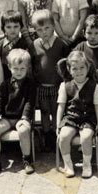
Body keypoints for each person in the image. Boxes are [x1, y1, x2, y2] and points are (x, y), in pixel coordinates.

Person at [0, 49, 36, 177]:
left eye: (22, 69)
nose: (19, 72)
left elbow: (29, 103)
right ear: (9, 67)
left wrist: (25, 118)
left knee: (24, 131)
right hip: (7, 118)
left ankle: (27, 160)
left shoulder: (30, 85)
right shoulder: (5, 85)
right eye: (16, 68)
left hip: (22, 118)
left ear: (27, 68)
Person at [56, 51, 98, 178]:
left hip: (88, 118)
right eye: (75, 68)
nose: (79, 71)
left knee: (86, 137)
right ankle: (68, 164)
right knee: (64, 136)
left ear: (88, 68)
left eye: (82, 67)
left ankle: (87, 164)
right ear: (69, 69)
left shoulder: (94, 86)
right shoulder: (65, 86)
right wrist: (58, 125)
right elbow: (61, 106)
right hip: (71, 117)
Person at [29, 9, 70, 151]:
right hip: (41, 86)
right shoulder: (34, 45)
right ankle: (47, 137)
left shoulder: (61, 44)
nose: (44, 32)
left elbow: (66, 67)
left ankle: (56, 134)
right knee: (45, 111)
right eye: (40, 30)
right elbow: (33, 65)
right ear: (35, 31)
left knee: (56, 111)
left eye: (47, 28)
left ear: (53, 26)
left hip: (57, 86)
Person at [0, 12, 30, 79]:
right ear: (3, 28)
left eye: (16, 26)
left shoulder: (25, 44)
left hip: (23, 82)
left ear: (21, 26)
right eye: (8, 27)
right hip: (5, 82)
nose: (12, 30)